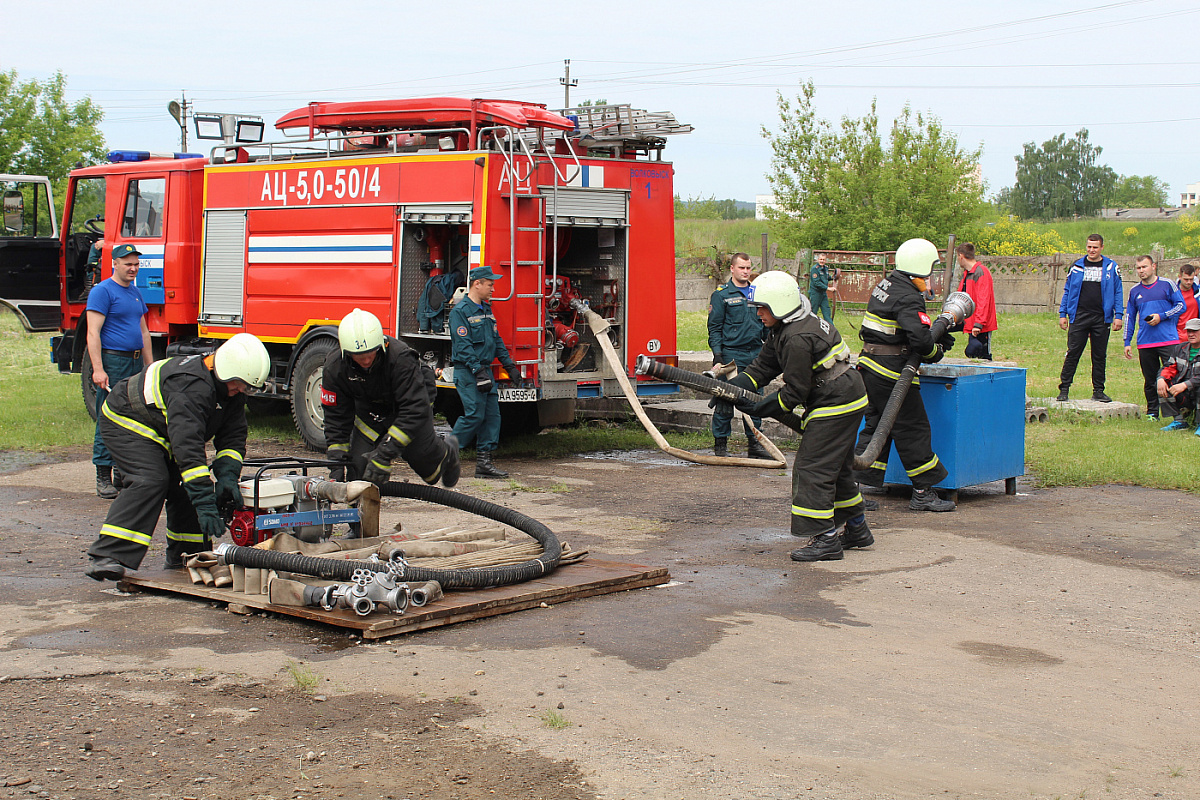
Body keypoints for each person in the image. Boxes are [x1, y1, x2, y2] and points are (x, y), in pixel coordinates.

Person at [83, 333, 271, 581]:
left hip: (163, 429)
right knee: (150, 479)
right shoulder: (190, 386)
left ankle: (186, 556)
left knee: (185, 486)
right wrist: (204, 504)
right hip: (127, 421)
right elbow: (189, 450)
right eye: (239, 384)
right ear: (225, 370)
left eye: (246, 387)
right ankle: (108, 555)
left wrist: (227, 477)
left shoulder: (230, 388)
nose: (240, 390)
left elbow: (233, 436)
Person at [720, 271, 870, 562]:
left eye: (762, 308)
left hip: (836, 403)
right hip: (843, 396)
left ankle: (826, 540)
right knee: (836, 468)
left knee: (812, 468)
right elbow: (763, 367)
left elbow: (794, 394)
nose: (758, 314)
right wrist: (729, 389)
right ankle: (856, 529)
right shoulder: (789, 325)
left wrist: (759, 407)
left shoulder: (798, 337)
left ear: (779, 305)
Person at [854, 238, 957, 512]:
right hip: (892, 373)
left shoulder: (886, 284)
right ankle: (923, 492)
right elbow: (921, 342)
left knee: (878, 427)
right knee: (912, 427)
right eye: (931, 268)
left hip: (870, 367)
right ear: (921, 266)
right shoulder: (909, 295)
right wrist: (937, 350)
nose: (931, 275)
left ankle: (851, 491)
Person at [321, 308, 461, 503]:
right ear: (346, 352)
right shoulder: (335, 368)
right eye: (359, 357)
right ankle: (360, 530)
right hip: (371, 408)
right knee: (359, 468)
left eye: (371, 353)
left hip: (411, 404)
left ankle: (447, 455)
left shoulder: (401, 359)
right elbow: (336, 418)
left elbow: (414, 410)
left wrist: (384, 454)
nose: (367, 360)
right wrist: (336, 466)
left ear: (381, 345)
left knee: (426, 467)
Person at [86, 243, 154, 498]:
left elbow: (144, 332)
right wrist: (98, 369)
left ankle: (122, 473)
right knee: (108, 416)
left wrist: (149, 367)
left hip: (136, 363)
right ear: (114, 263)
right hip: (114, 363)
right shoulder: (102, 292)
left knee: (133, 417)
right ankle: (102, 475)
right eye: (128, 264)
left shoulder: (135, 292)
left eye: (136, 264)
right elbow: (93, 333)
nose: (133, 268)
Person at [449, 266, 521, 478]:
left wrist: (510, 366)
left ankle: (484, 464)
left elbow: (496, 340)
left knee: (492, 417)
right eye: (490, 284)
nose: (493, 289)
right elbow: (463, 345)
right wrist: (477, 370)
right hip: (469, 372)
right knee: (474, 416)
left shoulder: (486, 310)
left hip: (484, 371)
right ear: (476, 284)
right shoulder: (460, 312)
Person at [706, 252, 768, 459]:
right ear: (732, 269)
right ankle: (721, 445)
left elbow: (766, 325)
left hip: (755, 355)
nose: (746, 271)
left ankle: (755, 444)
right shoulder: (722, 294)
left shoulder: (757, 293)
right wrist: (718, 355)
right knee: (725, 400)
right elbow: (714, 328)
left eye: (749, 268)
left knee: (755, 401)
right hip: (732, 356)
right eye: (742, 268)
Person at [1056, 234, 1124, 403]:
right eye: (1089, 247)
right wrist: (1063, 313)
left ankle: (1098, 391)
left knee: (1099, 355)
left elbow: (1118, 292)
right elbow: (1067, 290)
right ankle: (1064, 389)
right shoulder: (1077, 266)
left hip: (1102, 317)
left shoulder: (1111, 267)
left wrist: (1118, 315)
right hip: (1079, 316)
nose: (1091, 250)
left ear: (1102, 247)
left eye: (1095, 247)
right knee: (1073, 353)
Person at [1123, 255, 1184, 419]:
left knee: (1172, 377)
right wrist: (1127, 341)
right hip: (1145, 342)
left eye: (1144, 267)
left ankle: (1177, 414)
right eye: (1138, 268)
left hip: (1168, 340)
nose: (1141, 271)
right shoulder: (1135, 291)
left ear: (1153, 266)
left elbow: (1181, 306)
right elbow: (1129, 316)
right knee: (1150, 380)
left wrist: (1161, 316)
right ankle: (1152, 412)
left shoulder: (1167, 285)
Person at [1157, 317, 1200, 433]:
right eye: (1189, 331)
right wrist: (1161, 379)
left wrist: (1186, 384)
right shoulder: (1180, 348)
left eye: (1195, 331)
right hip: (1186, 392)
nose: (1191, 334)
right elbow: (1169, 366)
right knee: (1163, 384)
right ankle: (1180, 420)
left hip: (1195, 388)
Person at [955, 243, 997, 360]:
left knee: (981, 353)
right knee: (972, 351)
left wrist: (978, 324)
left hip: (980, 324)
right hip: (969, 320)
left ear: (961, 256)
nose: (958, 260)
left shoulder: (981, 272)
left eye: (957, 257)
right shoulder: (967, 274)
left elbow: (983, 300)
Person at [1171, 264, 1199, 341]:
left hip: (1196, 337)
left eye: (1191, 279)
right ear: (1180, 277)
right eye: (1186, 279)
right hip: (1178, 337)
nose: (1189, 282)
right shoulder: (1173, 294)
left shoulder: (1197, 293)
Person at [807, 253, 835, 324]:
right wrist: (828, 288)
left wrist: (833, 277)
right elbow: (817, 283)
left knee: (827, 311)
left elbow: (826, 278)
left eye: (823, 259)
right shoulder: (814, 269)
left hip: (823, 294)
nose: (822, 261)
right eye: (820, 259)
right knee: (813, 312)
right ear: (818, 260)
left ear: (825, 260)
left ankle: (831, 329)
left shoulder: (825, 268)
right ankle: (810, 327)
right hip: (815, 293)